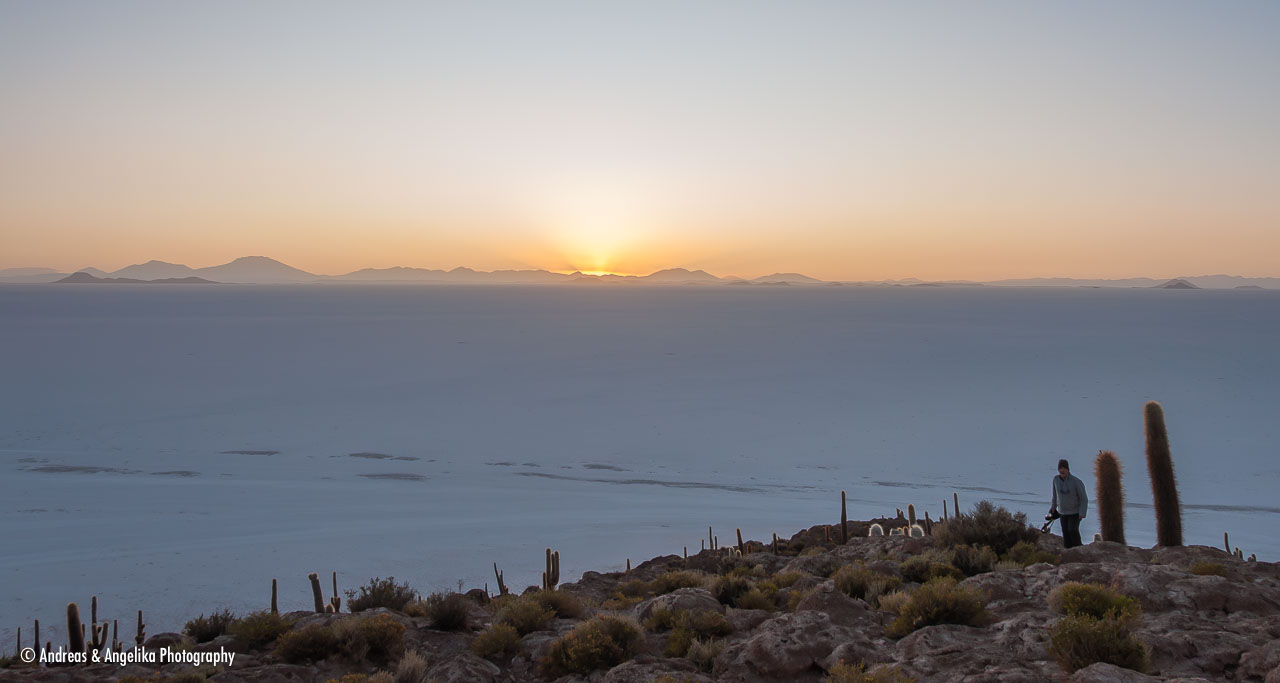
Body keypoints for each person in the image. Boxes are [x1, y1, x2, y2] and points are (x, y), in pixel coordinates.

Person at [1050, 458, 1088, 548]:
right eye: (1060, 468)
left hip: (1075, 512)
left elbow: (1084, 499)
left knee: (1072, 530)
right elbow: (1055, 495)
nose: (1062, 470)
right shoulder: (1056, 480)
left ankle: (1079, 549)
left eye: (1064, 468)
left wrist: (1082, 513)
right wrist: (1053, 507)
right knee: (1065, 532)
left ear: (1068, 469)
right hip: (1062, 512)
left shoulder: (1076, 481)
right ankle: (1068, 551)